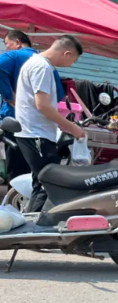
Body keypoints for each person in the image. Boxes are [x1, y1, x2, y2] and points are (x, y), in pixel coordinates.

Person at [14, 35, 85, 213]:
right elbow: (43, 105)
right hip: (36, 135)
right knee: (48, 185)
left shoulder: (36, 63)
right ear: (66, 53)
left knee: (42, 184)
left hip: (35, 133)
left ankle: (32, 230)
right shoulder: (42, 67)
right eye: (73, 60)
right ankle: (33, 233)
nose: (71, 65)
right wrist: (71, 127)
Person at [0, 30, 65, 120]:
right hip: (36, 122)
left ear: (17, 42)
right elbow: (58, 95)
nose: (6, 48)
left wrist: (9, 96)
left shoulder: (12, 55)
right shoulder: (48, 65)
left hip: (11, 116)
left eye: (6, 43)